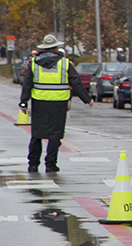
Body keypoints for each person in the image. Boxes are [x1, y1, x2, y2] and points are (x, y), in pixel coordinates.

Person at [19, 34, 93, 173]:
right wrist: (87, 99)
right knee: (55, 135)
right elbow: (76, 82)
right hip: (59, 104)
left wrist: (23, 102)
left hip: (39, 103)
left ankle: (33, 164)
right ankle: (51, 164)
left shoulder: (34, 63)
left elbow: (27, 84)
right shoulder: (64, 63)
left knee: (37, 134)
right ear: (55, 48)